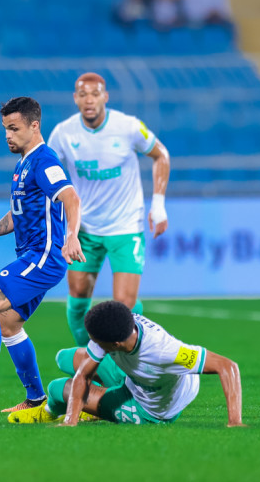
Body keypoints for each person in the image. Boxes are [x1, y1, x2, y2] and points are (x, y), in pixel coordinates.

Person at [0, 97, 86, 413]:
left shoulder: (44, 162)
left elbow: (71, 199)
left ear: (34, 125)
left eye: (14, 128)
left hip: (43, 257)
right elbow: (17, 216)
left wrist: (72, 236)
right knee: (8, 325)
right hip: (34, 257)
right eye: (5, 129)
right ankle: (36, 399)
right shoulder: (23, 164)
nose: (8, 135)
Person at [47, 73, 170, 347]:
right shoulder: (64, 133)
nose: (89, 100)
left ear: (105, 97)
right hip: (85, 230)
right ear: (75, 99)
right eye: (82, 94)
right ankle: (89, 360)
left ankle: (127, 366)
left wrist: (158, 206)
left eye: (94, 94)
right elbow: (47, 171)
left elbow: (161, 154)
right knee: (78, 294)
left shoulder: (128, 127)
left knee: (124, 305)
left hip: (125, 228)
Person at [8, 300, 246, 427]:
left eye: (96, 341)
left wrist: (234, 422)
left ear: (114, 343)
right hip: (136, 376)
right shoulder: (119, 326)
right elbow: (83, 375)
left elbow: (228, 366)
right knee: (64, 357)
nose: (92, 343)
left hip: (152, 407)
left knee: (58, 389)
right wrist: (71, 420)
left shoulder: (165, 352)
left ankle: (47, 413)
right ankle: (91, 406)